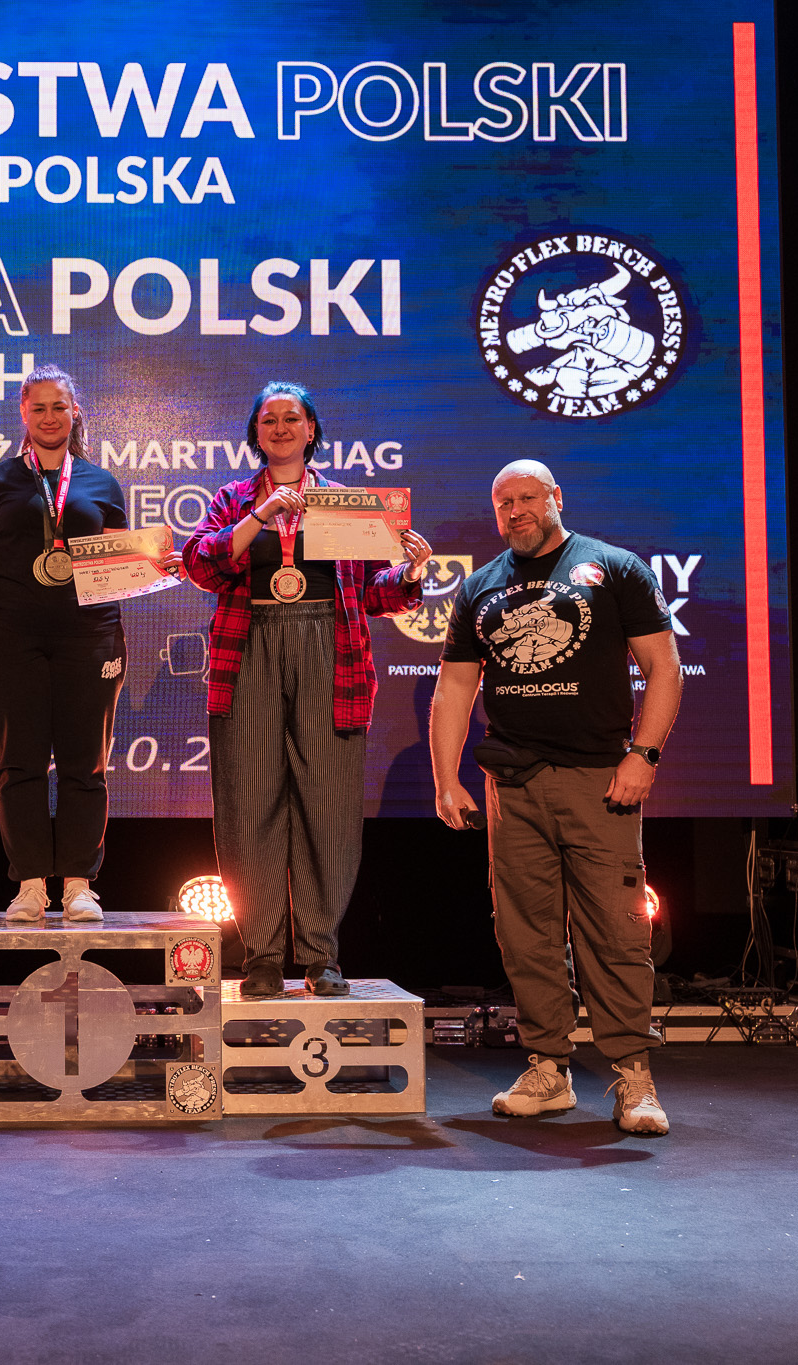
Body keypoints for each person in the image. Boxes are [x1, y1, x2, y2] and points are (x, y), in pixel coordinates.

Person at [429, 459, 682, 1136]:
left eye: (526, 498)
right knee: (525, 934)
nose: (514, 511)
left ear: (555, 498)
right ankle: (548, 1069)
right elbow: (455, 686)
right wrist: (446, 778)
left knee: (616, 930)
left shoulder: (614, 567)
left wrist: (644, 755)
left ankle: (633, 1076)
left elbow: (663, 667)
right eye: (502, 503)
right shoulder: (481, 585)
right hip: (511, 785)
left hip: (600, 778)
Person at [182, 382, 430, 998]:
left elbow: (373, 593)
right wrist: (261, 516)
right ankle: (263, 956)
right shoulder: (234, 499)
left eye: (292, 418)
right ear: (256, 432)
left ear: (311, 429)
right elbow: (203, 565)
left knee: (329, 808)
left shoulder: (346, 502)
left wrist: (411, 571)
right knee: (251, 807)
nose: (280, 428)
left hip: (329, 652)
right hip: (251, 649)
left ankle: (322, 955)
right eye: (268, 419)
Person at [0, 364, 178, 921]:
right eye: (38, 408)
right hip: (7, 635)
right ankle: (28, 885)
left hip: (89, 636)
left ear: (75, 413)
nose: (49, 417)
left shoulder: (101, 483)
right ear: (23, 414)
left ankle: (77, 884)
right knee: (18, 763)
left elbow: (119, 563)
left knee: (85, 764)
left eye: (59, 407)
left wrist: (155, 564)